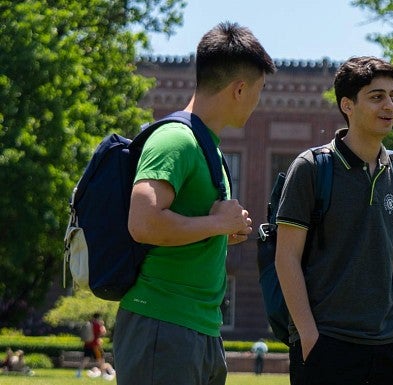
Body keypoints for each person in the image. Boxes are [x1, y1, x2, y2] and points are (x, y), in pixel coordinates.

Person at [117, 21, 273, 385]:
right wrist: (218, 224)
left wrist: (222, 231)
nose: (257, 101)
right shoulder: (176, 140)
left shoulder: (208, 147)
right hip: (163, 324)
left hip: (198, 329)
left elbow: (182, 223)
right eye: (258, 90)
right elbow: (142, 222)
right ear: (238, 89)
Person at [274, 56, 393, 385]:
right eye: (376, 96)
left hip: (391, 349)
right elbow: (287, 257)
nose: (389, 106)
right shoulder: (311, 167)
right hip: (328, 346)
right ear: (347, 105)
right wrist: (310, 338)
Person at [77, 313, 106, 377]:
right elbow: (101, 334)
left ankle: (79, 372)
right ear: (98, 318)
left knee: (85, 359)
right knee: (101, 359)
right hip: (95, 346)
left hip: (87, 344)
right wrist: (102, 326)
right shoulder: (97, 325)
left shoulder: (89, 324)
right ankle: (103, 373)